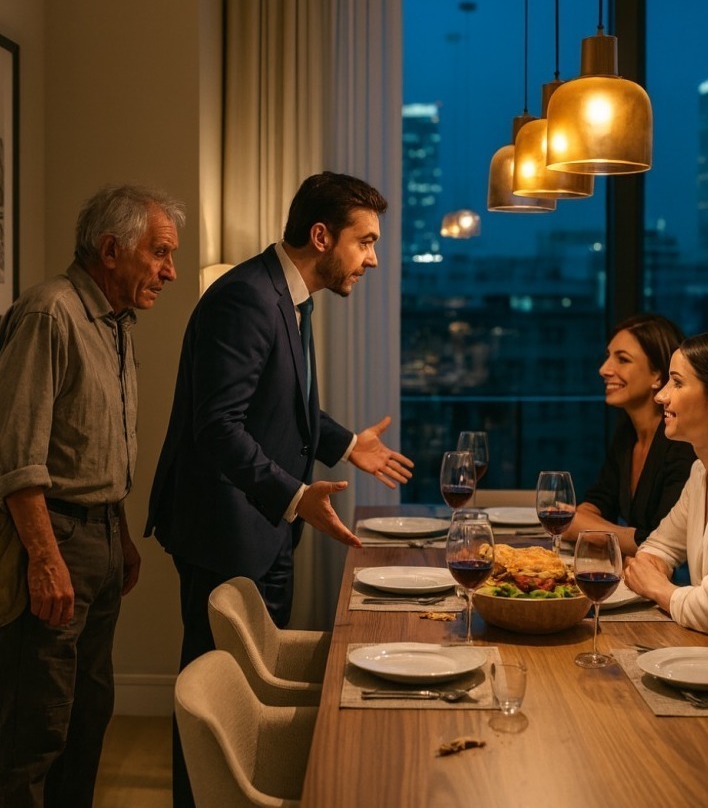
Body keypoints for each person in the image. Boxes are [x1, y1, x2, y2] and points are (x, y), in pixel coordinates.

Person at [145, 171, 414, 808]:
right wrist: (296, 496)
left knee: (246, 713)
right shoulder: (246, 298)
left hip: (261, 530)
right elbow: (218, 427)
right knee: (217, 720)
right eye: (365, 242)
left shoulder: (287, 295)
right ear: (322, 237)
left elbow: (284, 406)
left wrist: (344, 444)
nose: (374, 259)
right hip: (225, 533)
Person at [0, 184, 185, 808]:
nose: (170, 271)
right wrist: (45, 559)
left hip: (102, 536)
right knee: (38, 723)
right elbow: (18, 458)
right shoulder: (49, 314)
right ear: (111, 250)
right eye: (159, 252)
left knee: (88, 713)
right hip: (55, 538)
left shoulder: (116, 324)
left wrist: (120, 533)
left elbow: (92, 449)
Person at [624, 330, 708, 650]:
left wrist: (658, 587)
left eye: (676, 382)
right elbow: (659, 546)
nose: (661, 396)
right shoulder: (701, 472)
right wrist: (653, 568)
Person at [563, 314, 696, 556]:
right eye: (608, 357)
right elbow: (601, 499)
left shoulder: (683, 444)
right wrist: (586, 520)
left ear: (658, 375)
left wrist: (587, 529)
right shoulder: (628, 432)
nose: (604, 369)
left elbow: (662, 541)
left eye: (622, 359)